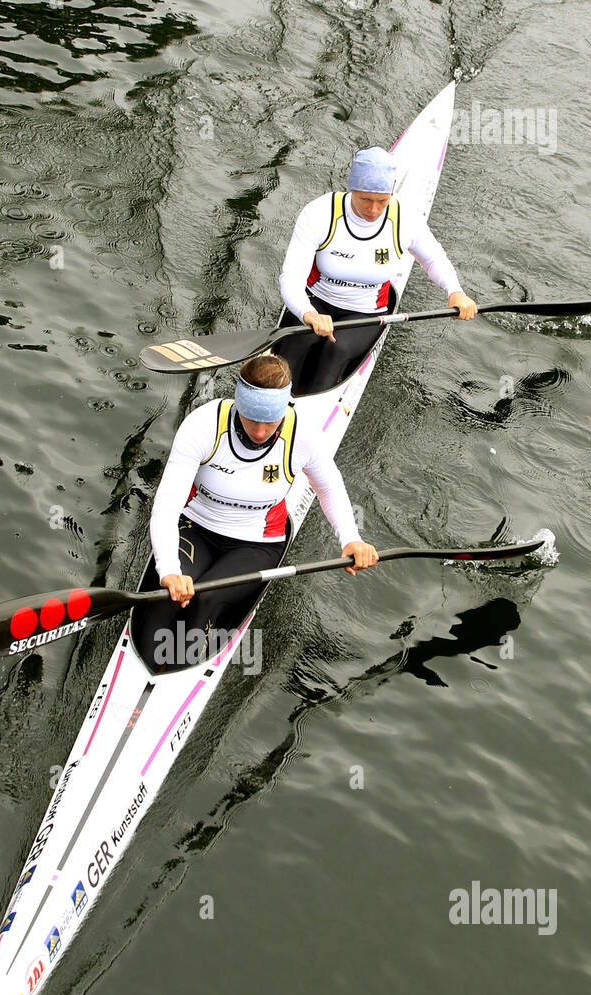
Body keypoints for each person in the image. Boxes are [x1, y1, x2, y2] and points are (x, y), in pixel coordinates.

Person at [135, 354, 377, 670]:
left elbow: (329, 487)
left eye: (270, 421)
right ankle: (154, 662)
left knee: (204, 601)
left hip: (256, 543)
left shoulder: (303, 436)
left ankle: (180, 671)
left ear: (284, 410)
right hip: (195, 526)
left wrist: (351, 538)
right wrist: (168, 569)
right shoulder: (203, 425)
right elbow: (166, 505)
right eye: (251, 419)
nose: (260, 431)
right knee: (164, 604)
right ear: (238, 404)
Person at [277, 145, 477, 393]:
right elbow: (291, 278)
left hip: (366, 313)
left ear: (391, 195)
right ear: (352, 189)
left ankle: (313, 407)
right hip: (315, 301)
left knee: (335, 351)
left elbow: (434, 259)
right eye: (365, 199)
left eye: (382, 201)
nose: (373, 210)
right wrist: (308, 313)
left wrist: (454, 291)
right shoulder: (319, 213)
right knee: (289, 354)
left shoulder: (405, 220)